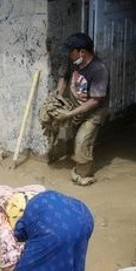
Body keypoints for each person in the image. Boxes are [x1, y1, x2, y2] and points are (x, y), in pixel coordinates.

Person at [54, 32, 108, 186]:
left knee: (82, 143)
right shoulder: (72, 60)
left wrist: (69, 114)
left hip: (94, 113)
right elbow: (63, 77)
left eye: (71, 51)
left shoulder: (99, 69)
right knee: (74, 140)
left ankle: (83, 178)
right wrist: (58, 96)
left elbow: (95, 101)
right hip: (75, 108)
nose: (68, 54)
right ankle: (81, 164)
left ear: (82, 52)